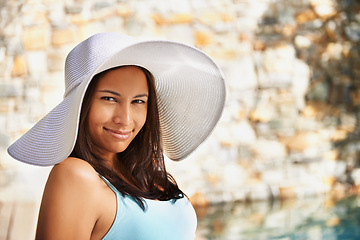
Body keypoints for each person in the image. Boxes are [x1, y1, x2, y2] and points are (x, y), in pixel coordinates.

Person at [7, 32, 226, 239]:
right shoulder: (75, 175)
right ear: (82, 105)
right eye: (110, 99)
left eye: (138, 101)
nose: (126, 119)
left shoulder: (147, 176)